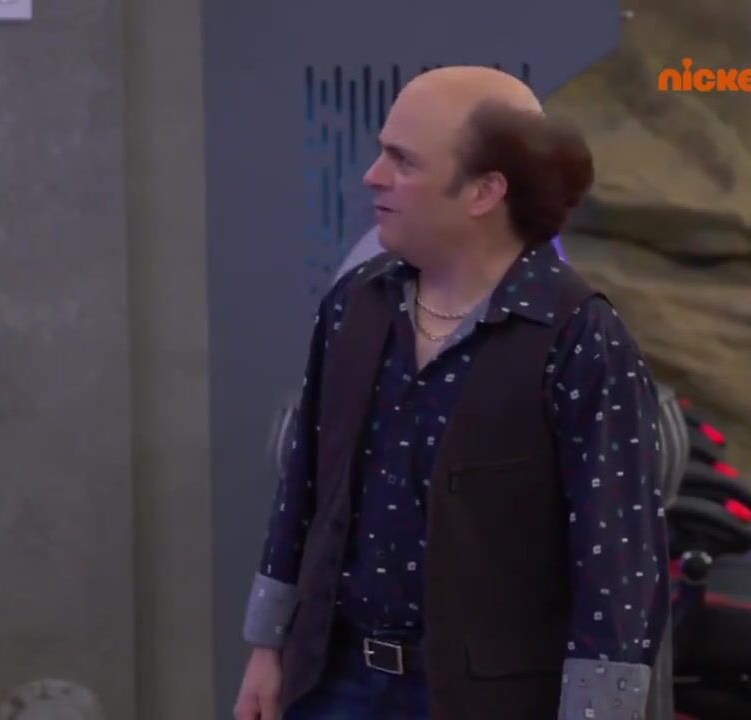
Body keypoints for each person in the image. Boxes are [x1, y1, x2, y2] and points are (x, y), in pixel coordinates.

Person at [234, 65, 670, 720]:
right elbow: (302, 489)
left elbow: (616, 563)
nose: (372, 176)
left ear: (484, 191)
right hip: (333, 681)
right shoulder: (355, 304)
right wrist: (268, 648)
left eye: (402, 160)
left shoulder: (579, 339)